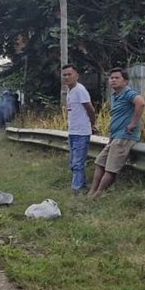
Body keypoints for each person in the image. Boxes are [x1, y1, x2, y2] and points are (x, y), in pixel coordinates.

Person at [89, 68, 145, 199]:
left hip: (125, 137)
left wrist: (133, 124)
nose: (113, 80)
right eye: (111, 78)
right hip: (115, 136)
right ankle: (92, 192)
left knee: (111, 168)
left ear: (125, 81)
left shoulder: (128, 93)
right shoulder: (115, 95)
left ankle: (98, 195)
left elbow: (141, 103)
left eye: (117, 78)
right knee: (100, 162)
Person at [62, 64, 97, 194]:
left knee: (77, 163)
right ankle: (81, 186)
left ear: (76, 75)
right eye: (64, 75)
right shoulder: (70, 91)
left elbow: (90, 109)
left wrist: (92, 124)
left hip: (82, 132)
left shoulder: (80, 90)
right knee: (73, 163)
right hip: (73, 131)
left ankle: (76, 190)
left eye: (69, 74)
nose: (66, 77)